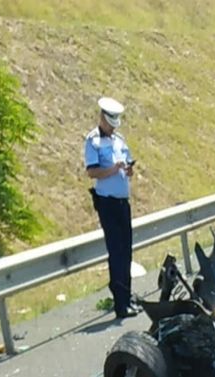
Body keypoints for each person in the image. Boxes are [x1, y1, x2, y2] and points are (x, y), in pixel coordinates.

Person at [84, 96, 140, 319]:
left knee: (126, 250)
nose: (112, 127)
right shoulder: (93, 141)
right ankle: (120, 303)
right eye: (110, 122)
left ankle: (127, 294)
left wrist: (127, 170)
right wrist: (113, 169)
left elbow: (128, 165)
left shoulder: (119, 140)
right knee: (116, 250)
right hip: (106, 202)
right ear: (102, 118)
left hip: (122, 201)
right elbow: (92, 172)